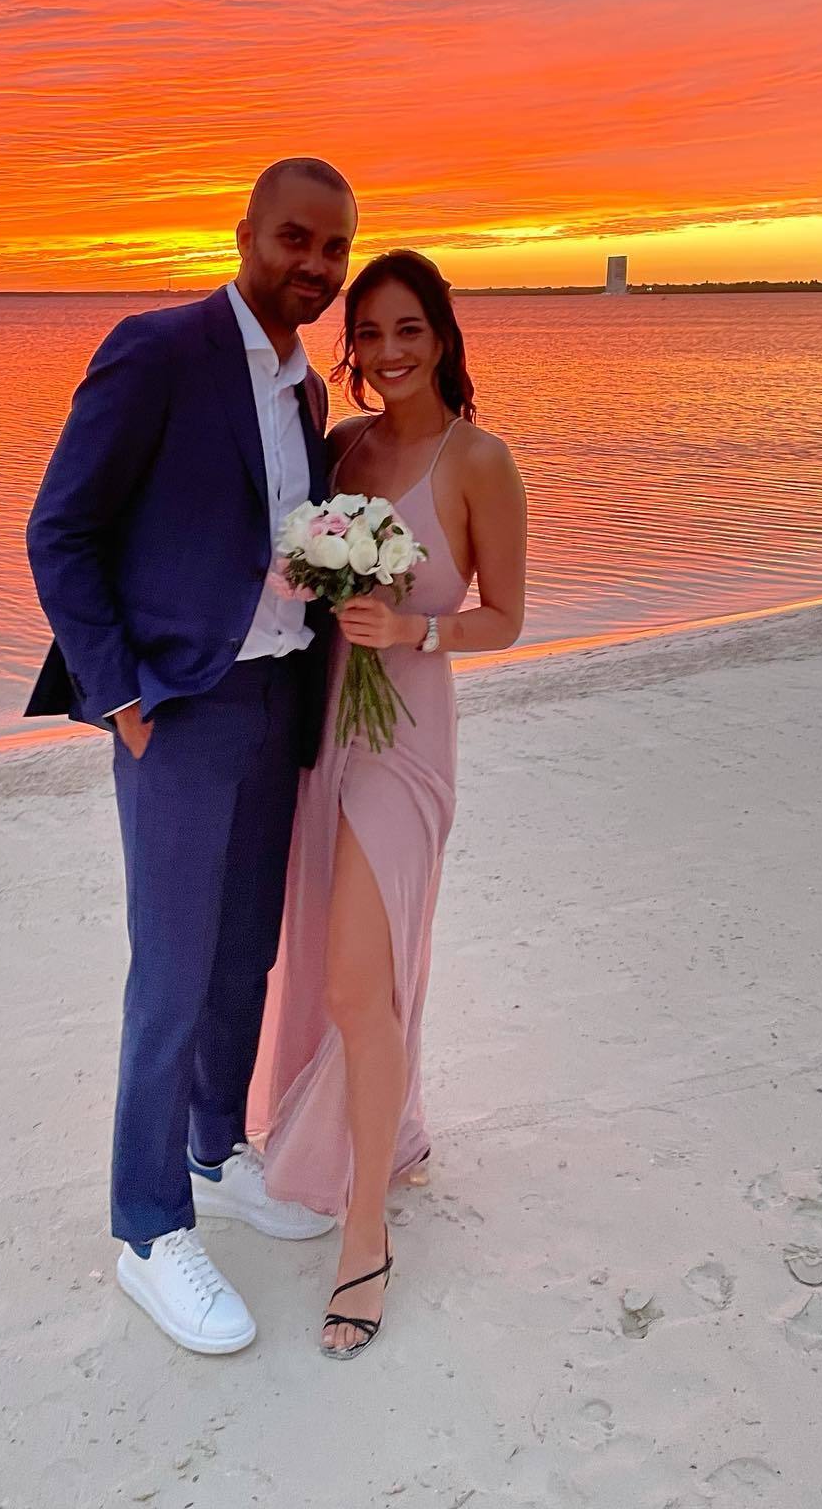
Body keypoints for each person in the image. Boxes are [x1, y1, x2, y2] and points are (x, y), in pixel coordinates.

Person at [25, 159, 358, 1355]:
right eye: (295, 239)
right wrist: (118, 695)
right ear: (245, 234)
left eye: (334, 249)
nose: (314, 266)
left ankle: (216, 1153)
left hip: (277, 699)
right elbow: (61, 530)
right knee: (169, 971)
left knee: (243, 955)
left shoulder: (305, 393)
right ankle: (149, 1228)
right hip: (179, 709)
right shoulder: (159, 350)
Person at [252, 249, 527, 1357]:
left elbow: (505, 616)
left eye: (408, 328)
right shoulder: (344, 448)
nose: (388, 350)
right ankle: (387, 1136)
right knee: (330, 963)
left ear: (443, 336)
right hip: (327, 727)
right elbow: (297, 562)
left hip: (406, 743)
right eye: (368, 332)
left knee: (358, 986)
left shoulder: (480, 461)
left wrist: (416, 627)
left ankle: (363, 1236)